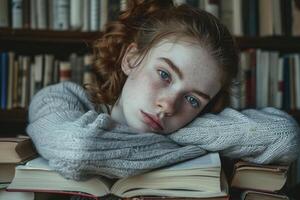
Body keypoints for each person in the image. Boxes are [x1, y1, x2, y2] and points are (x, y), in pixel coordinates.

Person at [27, 0, 299, 180]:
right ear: (131, 59)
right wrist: (186, 146)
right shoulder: (64, 98)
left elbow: (283, 135)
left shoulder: (185, 124)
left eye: (193, 99)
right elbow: (78, 150)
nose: (169, 106)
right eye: (165, 75)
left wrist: (183, 133)